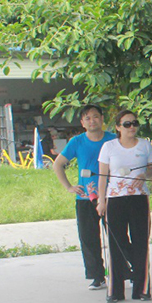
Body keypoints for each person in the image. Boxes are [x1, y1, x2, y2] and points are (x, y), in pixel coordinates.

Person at [96, 110, 152, 303]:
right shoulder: (109, 147)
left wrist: (144, 175)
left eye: (134, 123)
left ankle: (141, 289)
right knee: (116, 243)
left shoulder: (145, 145)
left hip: (139, 198)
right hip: (115, 199)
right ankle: (115, 291)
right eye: (127, 124)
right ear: (118, 127)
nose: (131, 127)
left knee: (141, 243)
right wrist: (101, 201)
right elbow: (103, 176)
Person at [54, 105, 117, 291]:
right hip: (86, 198)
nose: (92, 121)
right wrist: (69, 187)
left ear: (102, 119)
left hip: (111, 195)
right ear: (82, 122)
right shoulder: (77, 141)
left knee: (117, 236)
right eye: (87, 118)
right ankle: (97, 276)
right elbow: (58, 164)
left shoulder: (113, 139)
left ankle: (125, 272)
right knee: (89, 239)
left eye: (95, 117)